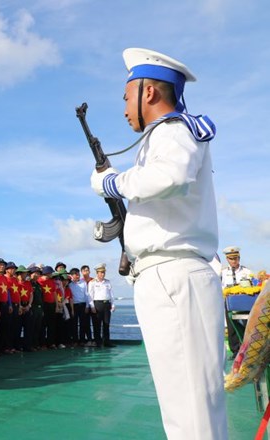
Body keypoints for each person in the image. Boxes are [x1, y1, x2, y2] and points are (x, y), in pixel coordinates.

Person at [90, 48, 226, 438]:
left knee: (191, 405)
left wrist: (111, 182)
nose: (123, 108)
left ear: (147, 92)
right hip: (165, 275)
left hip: (173, 275)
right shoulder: (160, 138)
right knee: (184, 402)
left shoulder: (173, 130)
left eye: (125, 96)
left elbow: (171, 178)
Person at [220, 246, 253, 355]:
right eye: (231, 259)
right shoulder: (223, 273)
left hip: (244, 302)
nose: (234, 261)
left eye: (236, 258)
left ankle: (248, 349)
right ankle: (235, 351)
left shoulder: (246, 271)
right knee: (232, 327)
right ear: (227, 259)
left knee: (246, 325)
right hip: (229, 302)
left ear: (239, 258)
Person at [68, 268, 89, 346]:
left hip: (82, 305)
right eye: (76, 274)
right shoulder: (69, 284)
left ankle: (82, 340)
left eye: (78, 274)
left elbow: (87, 294)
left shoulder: (83, 283)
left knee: (83, 323)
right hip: (74, 306)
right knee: (74, 324)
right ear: (72, 275)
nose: (77, 276)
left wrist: (87, 306)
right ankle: (75, 341)